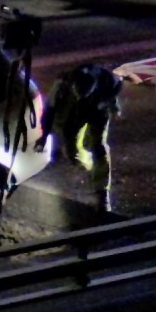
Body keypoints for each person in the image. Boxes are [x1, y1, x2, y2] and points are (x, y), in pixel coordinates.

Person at [39, 64, 123, 212]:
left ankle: (102, 193)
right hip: (75, 112)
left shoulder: (107, 81)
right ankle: (92, 166)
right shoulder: (62, 84)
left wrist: (109, 102)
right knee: (72, 151)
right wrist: (44, 136)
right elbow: (49, 110)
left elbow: (117, 86)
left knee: (99, 146)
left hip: (97, 108)